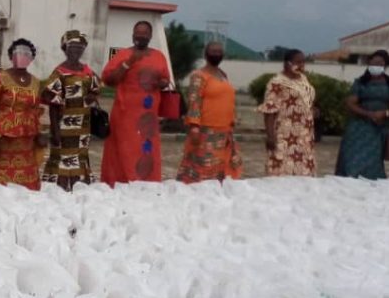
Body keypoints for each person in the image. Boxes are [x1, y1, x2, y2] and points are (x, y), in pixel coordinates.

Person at [100, 21, 172, 185]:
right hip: (125, 114)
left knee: (146, 148)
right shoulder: (123, 54)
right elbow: (109, 80)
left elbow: (165, 78)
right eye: (137, 33)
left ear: (150, 36)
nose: (140, 36)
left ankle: (147, 181)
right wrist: (128, 63)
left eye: (144, 33)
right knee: (125, 149)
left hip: (148, 116)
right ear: (133, 35)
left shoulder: (159, 56)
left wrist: (162, 82)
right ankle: (121, 181)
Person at [42, 30, 102, 190]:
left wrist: (92, 95)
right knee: (61, 158)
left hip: (82, 127)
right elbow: (53, 104)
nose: (76, 50)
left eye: (80, 47)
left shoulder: (87, 71)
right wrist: (54, 130)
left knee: (80, 157)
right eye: (72, 47)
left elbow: (97, 87)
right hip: (63, 127)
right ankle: (59, 191)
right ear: (65, 49)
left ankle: (79, 189)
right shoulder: (59, 73)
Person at [176, 42, 243, 184]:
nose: (216, 54)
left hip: (224, 131)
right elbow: (194, 101)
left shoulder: (223, 75)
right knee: (202, 170)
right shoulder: (199, 76)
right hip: (205, 131)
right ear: (206, 54)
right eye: (213, 51)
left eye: (219, 51)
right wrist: (194, 126)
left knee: (222, 171)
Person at [0, 39, 46, 189]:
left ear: (31, 58)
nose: (22, 56)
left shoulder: (36, 82)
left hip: (27, 137)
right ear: (11, 56)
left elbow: (36, 110)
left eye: (26, 54)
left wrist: (39, 134)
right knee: (2, 175)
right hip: (5, 138)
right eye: (18, 53)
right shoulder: (0, 78)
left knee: (28, 173)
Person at [335, 50, 389, 179]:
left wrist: (385, 113)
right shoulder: (360, 82)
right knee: (353, 155)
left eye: (380, 63)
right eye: (373, 62)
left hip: (380, 126)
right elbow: (350, 103)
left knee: (374, 157)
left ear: (385, 66)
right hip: (359, 124)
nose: (376, 65)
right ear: (369, 64)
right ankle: (350, 177)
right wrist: (369, 114)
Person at [258, 48, 317, 176]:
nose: (301, 65)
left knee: (303, 170)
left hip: (304, 135)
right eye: (298, 62)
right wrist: (270, 136)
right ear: (287, 63)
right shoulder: (277, 83)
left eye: (303, 62)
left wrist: (312, 109)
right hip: (285, 134)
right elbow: (269, 111)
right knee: (283, 169)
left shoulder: (303, 79)